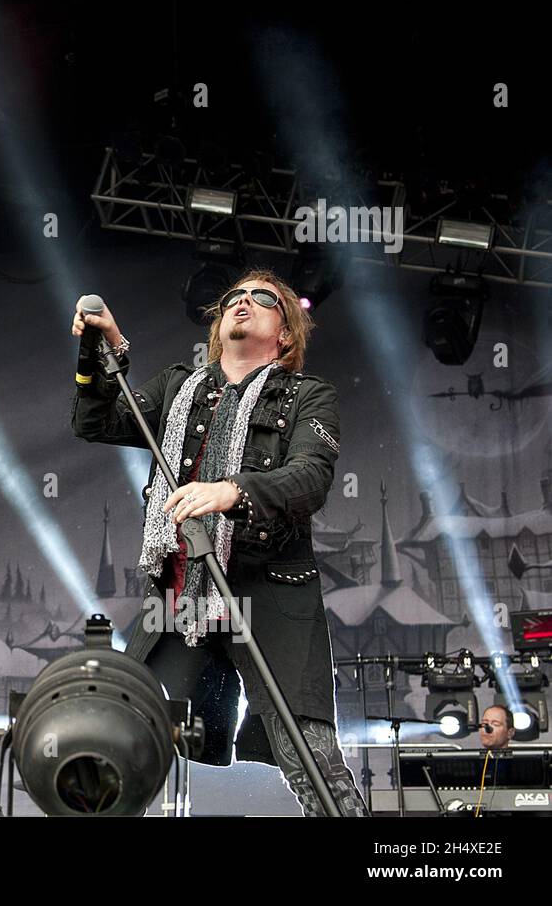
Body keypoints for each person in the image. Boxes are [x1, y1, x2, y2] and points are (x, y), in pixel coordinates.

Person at [70, 268, 368, 817]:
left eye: (262, 299)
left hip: (269, 590)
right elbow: (95, 423)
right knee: (110, 737)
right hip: (180, 597)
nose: (243, 302)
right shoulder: (179, 387)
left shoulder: (307, 395)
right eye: (235, 296)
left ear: (286, 333)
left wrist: (233, 491)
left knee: (311, 756)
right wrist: (103, 351)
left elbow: (311, 478)